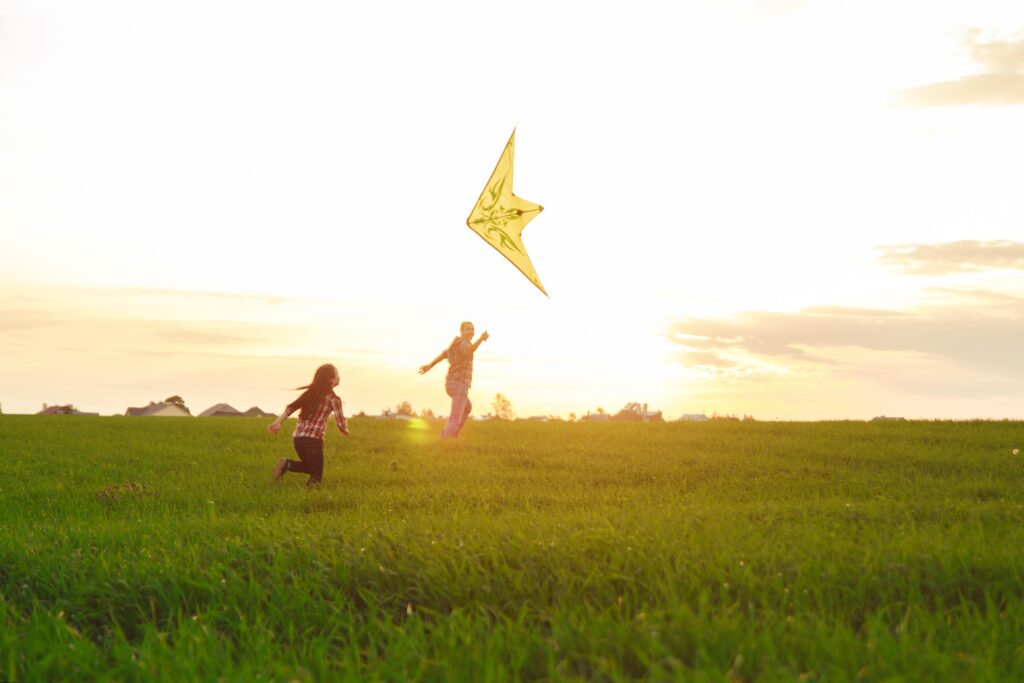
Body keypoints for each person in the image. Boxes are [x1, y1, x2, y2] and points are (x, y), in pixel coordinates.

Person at [267, 363, 348, 485]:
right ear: (330, 379)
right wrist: (346, 431)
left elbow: (291, 408)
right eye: (337, 374)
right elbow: (340, 423)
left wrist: (278, 422)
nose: (339, 377)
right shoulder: (334, 399)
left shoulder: (310, 394)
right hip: (313, 441)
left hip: (298, 439)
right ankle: (311, 496)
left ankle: (287, 464)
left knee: (309, 467)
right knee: (316, 475)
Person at [419, 321, 489, 438]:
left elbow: (443, 354)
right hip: (459, 384)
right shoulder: (463, 343)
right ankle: (446, 440)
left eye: (472, 329)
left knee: (467, 407)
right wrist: (481, 339)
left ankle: (452, 435)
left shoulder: (455, 344)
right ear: (461, 331)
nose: (471, 331)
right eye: (468, 329)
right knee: (455, 416)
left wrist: (430, 365)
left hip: (451, 384)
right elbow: (469, 350)